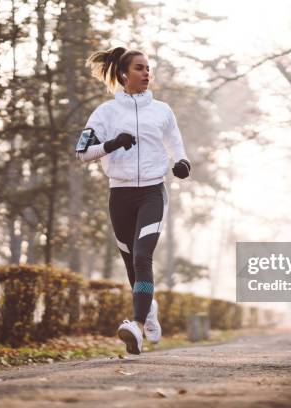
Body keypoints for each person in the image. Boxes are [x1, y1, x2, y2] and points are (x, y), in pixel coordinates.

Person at [77, 47, 191, 355]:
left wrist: (181, 163)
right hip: (120, 195)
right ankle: (149, 307)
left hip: (153, 192)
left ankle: (136, 325)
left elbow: (176, 145)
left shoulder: (163, 111)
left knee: (142, 257)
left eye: (148, 68)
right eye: (140, 68)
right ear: (124, 74)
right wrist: (112, 144)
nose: (146, 73)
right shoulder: (105, 113)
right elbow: (82, 152)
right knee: (131, 265)